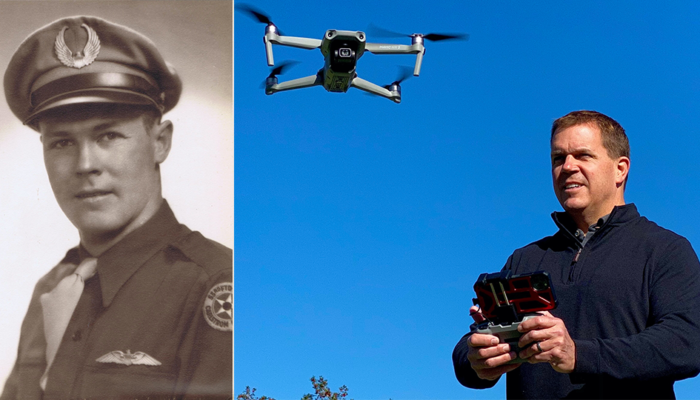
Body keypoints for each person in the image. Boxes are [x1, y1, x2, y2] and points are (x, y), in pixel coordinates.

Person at [0, 16, 231, 399]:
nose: (85, 164)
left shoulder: (216, 287)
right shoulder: (53, 288)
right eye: (61, 143)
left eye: (108, 135)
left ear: (160, 142)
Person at [452, 110, 700, 399]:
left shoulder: (665, 249)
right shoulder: (525, 258)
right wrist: (475, 359)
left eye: (583, 156)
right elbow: (470, 344)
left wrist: (578, 355)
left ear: (620, 169)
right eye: (558, 158)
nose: (567, 166)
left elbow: (688, 343)